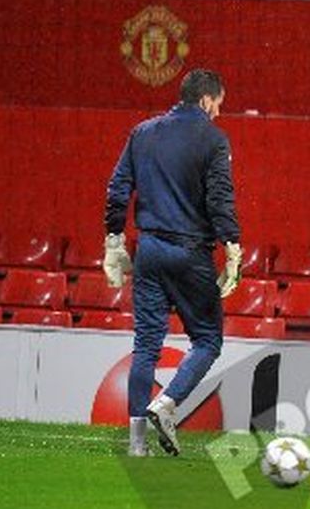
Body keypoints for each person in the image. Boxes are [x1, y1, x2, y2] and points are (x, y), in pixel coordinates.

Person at [103, 68, 243, 457]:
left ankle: (136, 445)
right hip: (189, 252)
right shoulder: (213, 139)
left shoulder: (142, 132)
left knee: (146, 344)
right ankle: (166, 403)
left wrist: (114, 239)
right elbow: (219, 199)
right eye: (218, 104)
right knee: (208, 339)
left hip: (148, 250)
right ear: (205, 100)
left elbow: (117, 190)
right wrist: (232, 246)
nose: (218, 112)